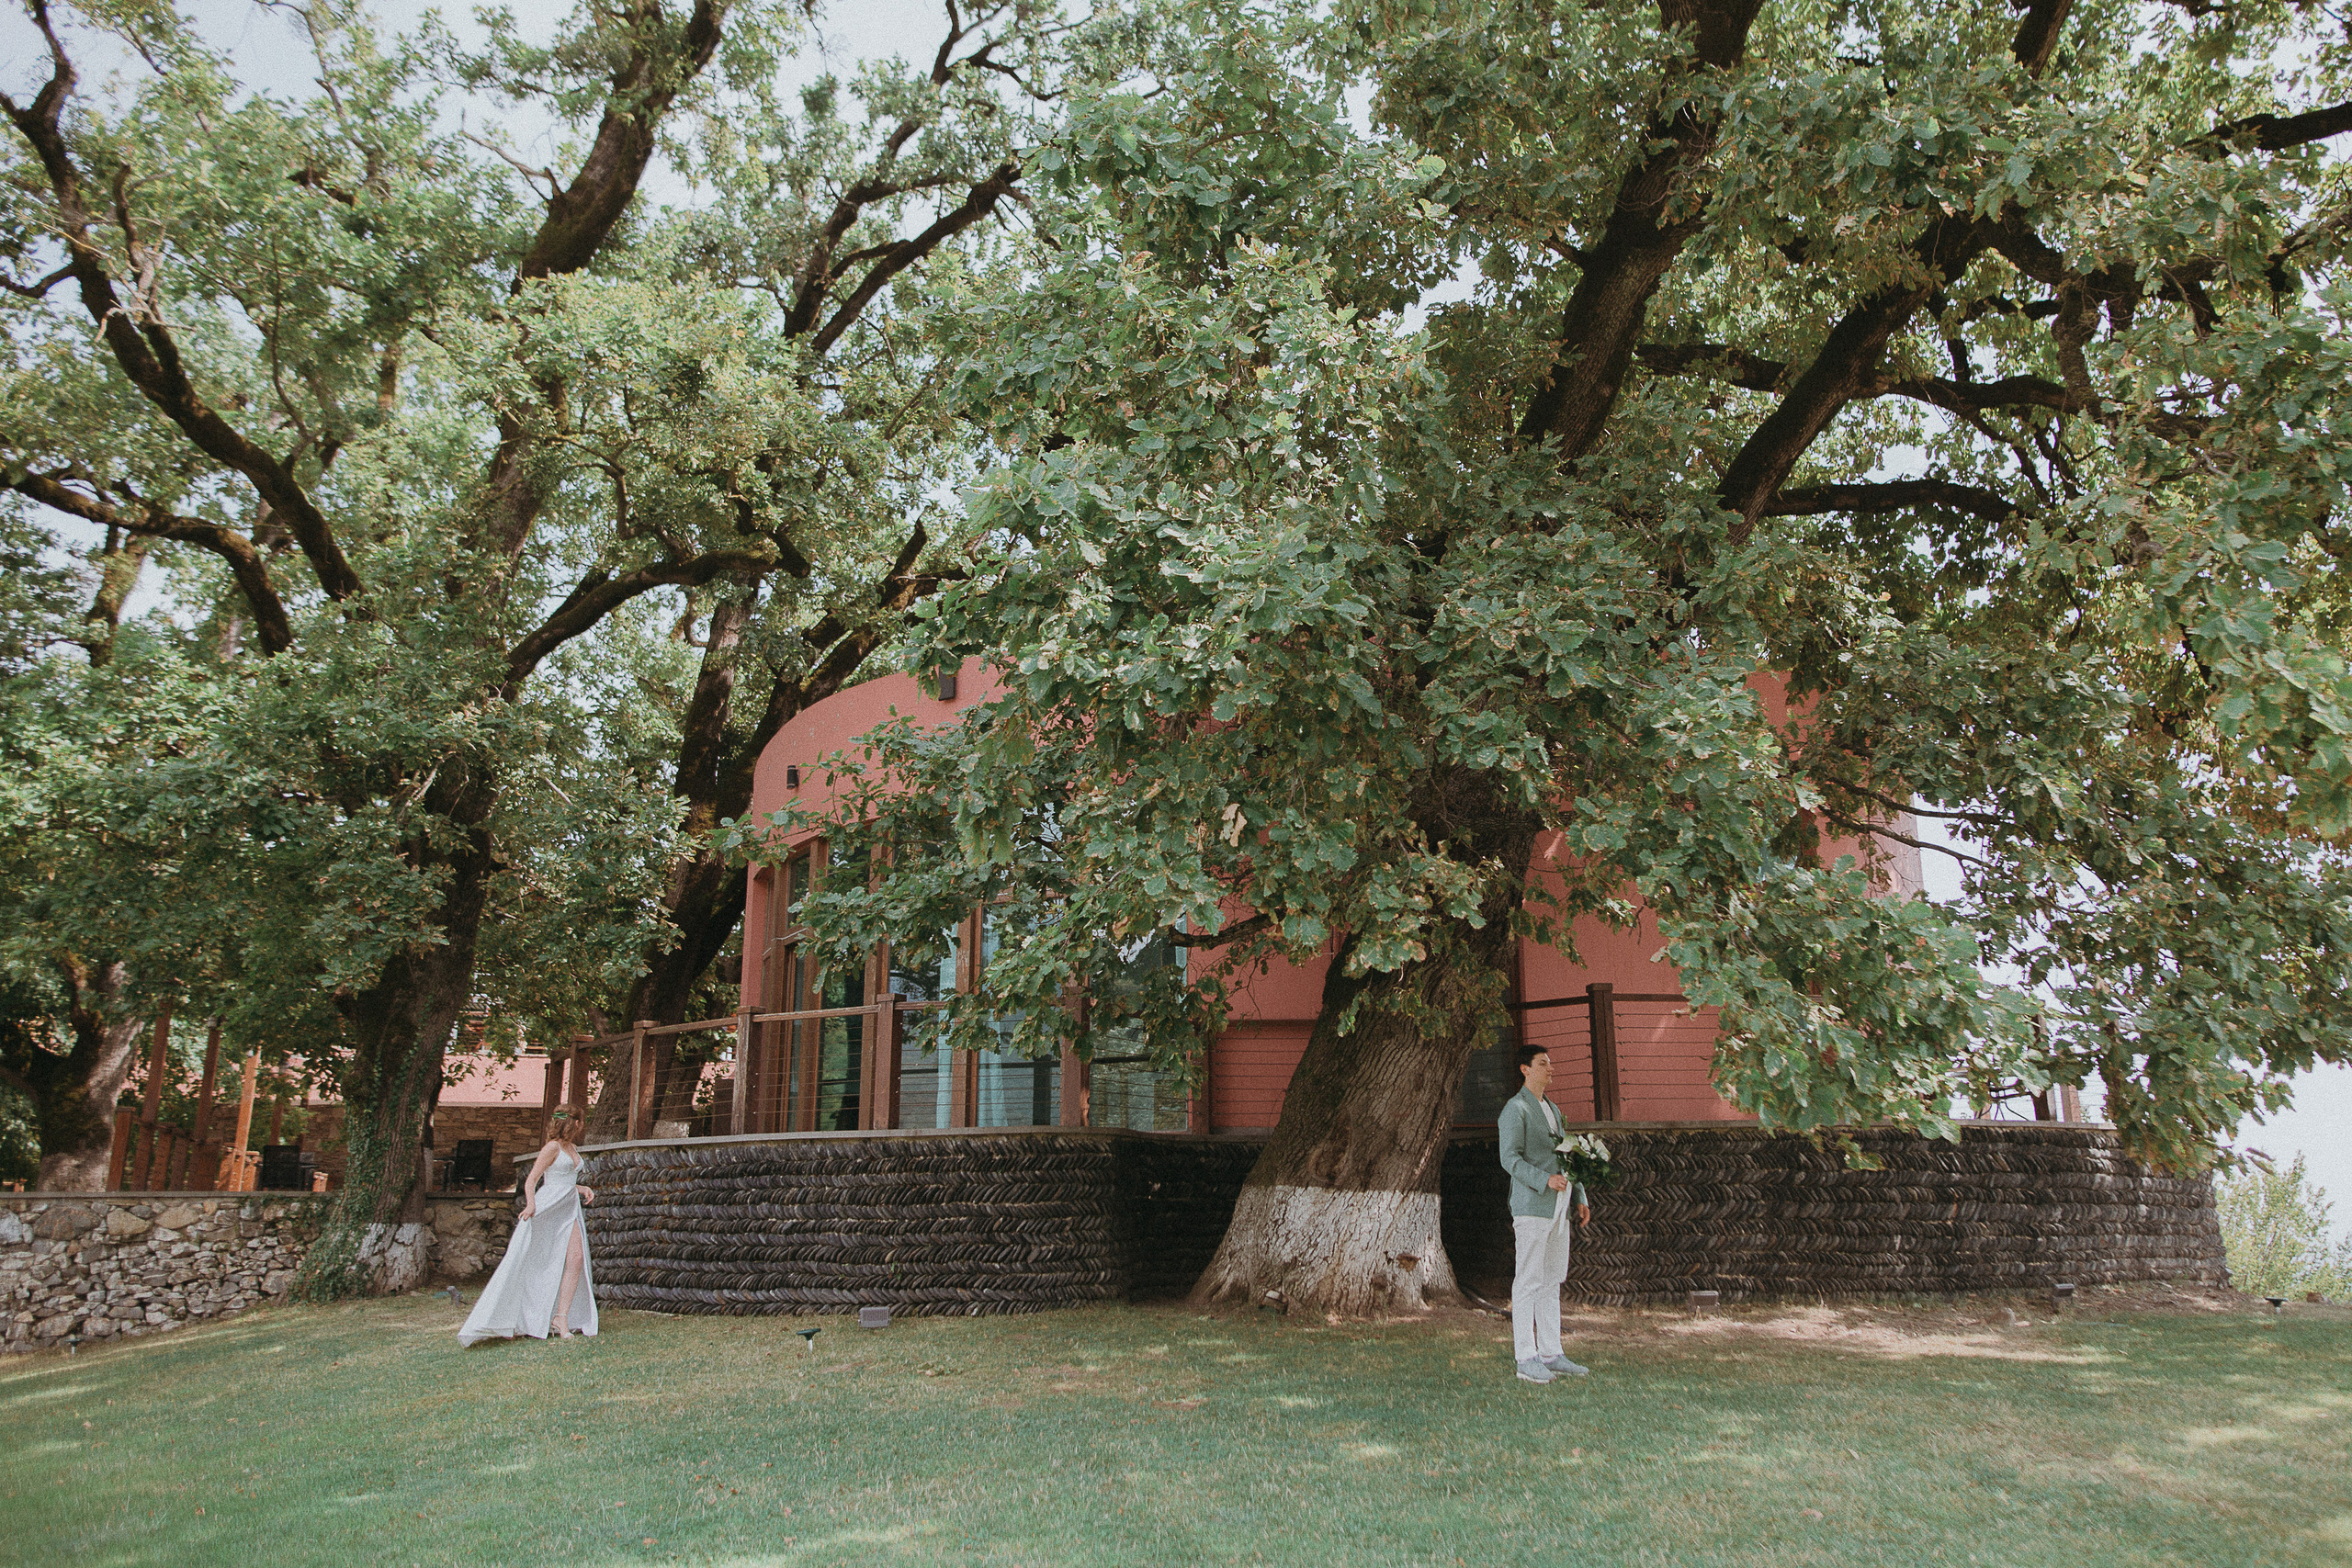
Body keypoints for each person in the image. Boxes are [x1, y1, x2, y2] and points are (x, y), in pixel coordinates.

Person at [458, 1109, 599, 1346]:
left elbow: (563, 1182)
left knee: (576, 1259)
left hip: (568, 1209)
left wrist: (581, 1188)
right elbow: (533, 1179)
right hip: (548, 1208)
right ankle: (518, 1316)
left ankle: (560, 1317)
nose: (582, 1126)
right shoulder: (551, 1148)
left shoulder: (572, 1148)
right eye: (581, 1122)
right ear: (575, 1123)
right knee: (533, 1260)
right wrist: (531, 1205)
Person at [1497, 1043, 1589, 1383]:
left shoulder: (1553, 1108)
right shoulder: (1515, 1109)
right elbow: (1510, 1158)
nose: (1551, 1069)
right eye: (1543, 1063)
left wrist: (1580, 1195)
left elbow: (1570, 1157)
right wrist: (1544, 1180)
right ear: (1525, 1069)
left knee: (1552, 1280)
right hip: (1532, 1206)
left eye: (1550, 1063)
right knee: (1528, 1281)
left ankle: (1552, 1353)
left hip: (1559, 1208)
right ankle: (1526, 1358)